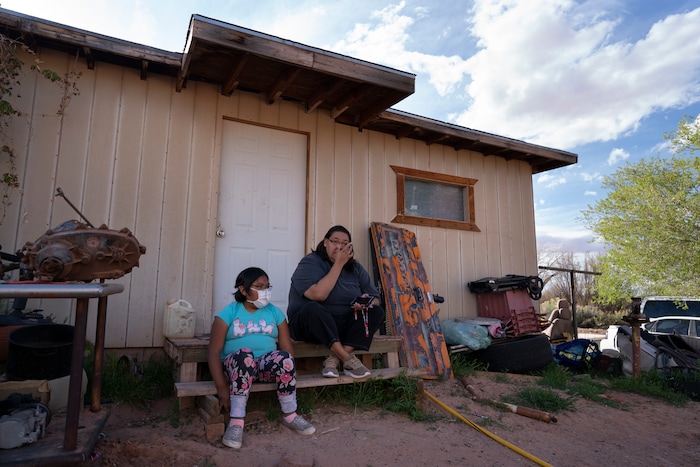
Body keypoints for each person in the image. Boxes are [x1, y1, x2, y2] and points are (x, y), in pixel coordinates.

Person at [208, 267, 315, 450]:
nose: (265, 291)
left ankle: (290, 415)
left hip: (264, 368)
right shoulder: (229, 312)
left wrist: (289, 368)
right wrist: (221, 388)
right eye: (258, 286)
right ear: (243, 290)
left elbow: (286, 346)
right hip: (236, 369)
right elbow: (213, 352)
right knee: (245, 354)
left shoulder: (275, 313)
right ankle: (236, 422)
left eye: (267, 286)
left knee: (285, 357)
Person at [287, 225, 385, 379]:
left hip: (342, 326)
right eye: (335, 242)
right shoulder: (310, 262)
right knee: (313, 308)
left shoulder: (356, 268)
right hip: (309, 325)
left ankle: (334, 359)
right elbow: (319, 295)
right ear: (325, 242)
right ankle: (347, 358)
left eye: (345, 243)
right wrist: (338, 264)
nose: (339, 247)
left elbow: (376, 299)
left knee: (377, 312)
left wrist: (366, 302)